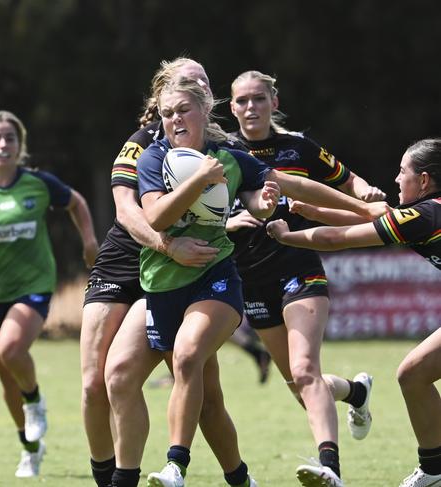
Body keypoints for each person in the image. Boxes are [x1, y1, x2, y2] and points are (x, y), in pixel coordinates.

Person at [115, 76, 387, 487]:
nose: (175, 119)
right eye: (167, 113)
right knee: (225, 399)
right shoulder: (154, 158)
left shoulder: (237, 156)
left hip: (242, 278)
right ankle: (244, 477)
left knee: (212, 360)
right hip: (184, 283)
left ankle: (178, 466)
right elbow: (154, 217)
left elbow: (282, 190)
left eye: (183, 110)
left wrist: (270, 203)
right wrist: (201, 184)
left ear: (206, 110)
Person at [82, 57, 263, 487]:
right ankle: (111, 478)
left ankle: (237, 477)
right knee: (96, 383)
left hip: (179, 271)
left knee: (203, 392)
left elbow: (253, 191)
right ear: (162, 95)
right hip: (130, 260)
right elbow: (127, 212)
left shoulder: (222, 145)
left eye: (201, 82)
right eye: (184, 82)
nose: (194, 87)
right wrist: (167, 244)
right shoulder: (145, 144)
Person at [227, 70, 387, 487]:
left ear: (273, 103)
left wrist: (366, 191)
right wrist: (231, 221)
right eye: (241, 101)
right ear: (231, 108)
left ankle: (330, 470)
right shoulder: (221, 153)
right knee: (300, 385)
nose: (250, 108)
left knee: (304, 370)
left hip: (299, 270)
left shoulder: (297, 147)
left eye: (258, 99)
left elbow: (346, 179)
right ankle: (355, 391)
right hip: (252, 281)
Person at [265, 138, 441, 487]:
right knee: (413, 373)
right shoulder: (426, 214)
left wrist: (288, 237)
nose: (395, 179)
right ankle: (434, 470)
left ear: (422, 180)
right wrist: (314, 212)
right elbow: (377, 218)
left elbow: (336, 240)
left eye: (402, 171)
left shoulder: (426, 215)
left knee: (413, 373)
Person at [0, 110, 98, 478]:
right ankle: (30, 449)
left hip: (33, 287)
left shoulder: (37, 184)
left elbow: (75, 202)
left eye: (10, 139)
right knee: (5, 376)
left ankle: (36, 402)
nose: (3, 145)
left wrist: (90, 241)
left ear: (19, 146)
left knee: (11, 350)